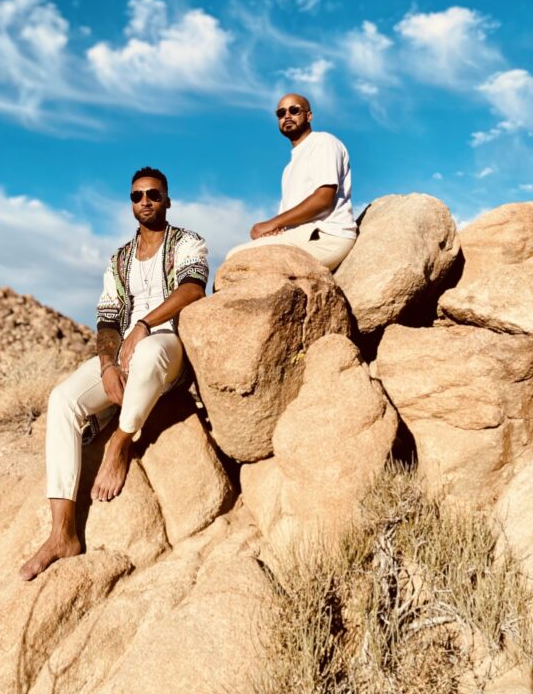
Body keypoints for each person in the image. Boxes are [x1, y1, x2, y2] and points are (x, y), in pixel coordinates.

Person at [20, 166, 208, 581]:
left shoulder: (187, 242)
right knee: (63, 400)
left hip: (169, 348)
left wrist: (143, 325)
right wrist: (107, 365)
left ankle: (120, 441)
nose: (145, 202)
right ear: (131, 203)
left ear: (167, 201)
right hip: (125, 353)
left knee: (150, 354)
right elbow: (107, 319)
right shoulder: (119, 259)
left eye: (154, 195)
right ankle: (62, 533)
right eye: (138, 196)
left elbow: (193, 289)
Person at [226, 92, 357, 270]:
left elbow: (323, 199)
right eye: (281, 113)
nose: (287, 116)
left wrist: (272, 223)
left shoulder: (322, 142)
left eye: (294, 110)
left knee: (237, 259)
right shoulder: (289, 168)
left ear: (309, 116)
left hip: (326, 236)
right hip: (302, 236)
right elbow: (289, 221)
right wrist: (276, 230)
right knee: (236, 260)